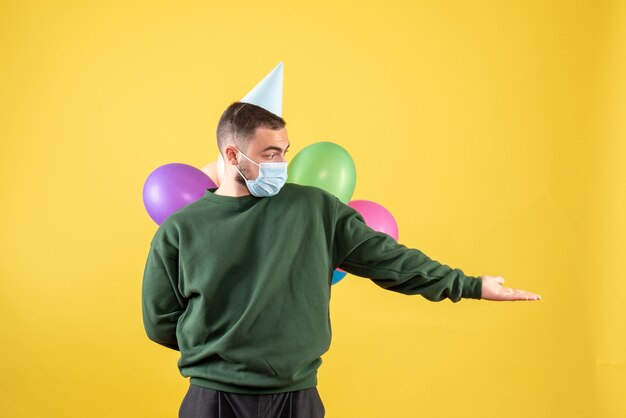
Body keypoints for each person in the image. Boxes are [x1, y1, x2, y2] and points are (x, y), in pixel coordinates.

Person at [141, 102, 541, 418]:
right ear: (233, 154)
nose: (281, 163)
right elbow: (159, 323)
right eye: (270, 153)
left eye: (285, 152)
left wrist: (471, 285)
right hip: (213, 402)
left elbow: (390, 260)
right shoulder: (181, 229)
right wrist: (225, 352)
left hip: (296, 400)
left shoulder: (313, 209)